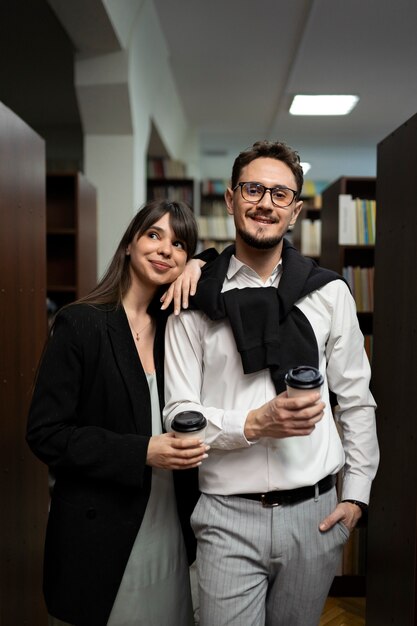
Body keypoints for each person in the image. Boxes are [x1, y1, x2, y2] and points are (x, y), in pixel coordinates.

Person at [163, 140, 380, 626]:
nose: (265, 202)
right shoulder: (193, 297)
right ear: (231, 198)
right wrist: (254, 424)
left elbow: (356, 401)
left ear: (296, 210)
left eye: (280, 194)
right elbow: (177, 414)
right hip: (226, 515)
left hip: (317, 514)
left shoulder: (329, 294)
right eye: (253, 189)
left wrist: (357, 495)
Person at [26, 199, 212, 626]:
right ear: (129, 244)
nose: (166, 250)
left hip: (169, 527)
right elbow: (45, 433)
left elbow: (233, 268)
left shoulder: (178, 328)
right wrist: (141, 451)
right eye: (154, 235)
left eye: (179, 244)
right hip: (99, 529)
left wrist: (202, 264)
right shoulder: (81, 323)